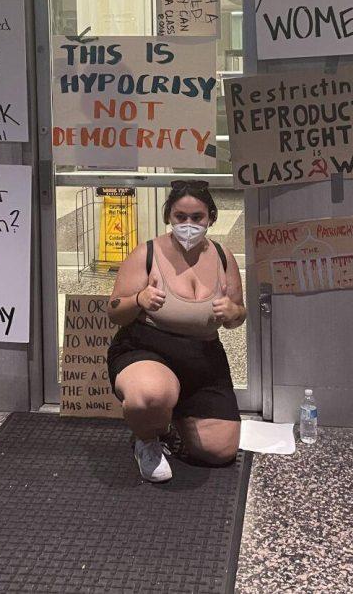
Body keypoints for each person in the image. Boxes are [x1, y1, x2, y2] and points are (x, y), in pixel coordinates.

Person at [106, 180, 247, 482]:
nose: (188, 224)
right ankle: (146, 439)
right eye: (180, 217)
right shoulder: (146, 253)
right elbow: (115, 311)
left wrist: (234, 312)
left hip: (203, 357)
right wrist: (138, 300)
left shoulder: (224, 257)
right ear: (168, 216)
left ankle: (173, 420)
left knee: (220, 451)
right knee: (150, 396)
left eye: (197, 217)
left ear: (211, 217)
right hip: (148, 348)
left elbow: (238, 316)